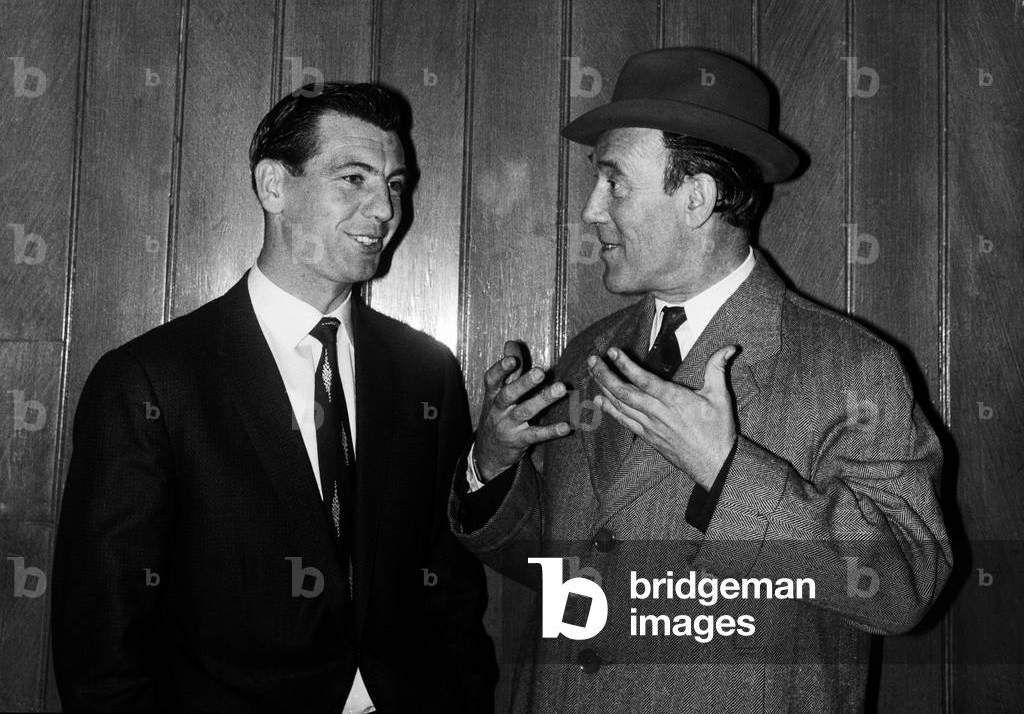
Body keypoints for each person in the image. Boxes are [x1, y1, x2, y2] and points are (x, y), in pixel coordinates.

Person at [451, 48, 951, 713]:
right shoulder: (588, 355)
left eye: (614, 181)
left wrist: (727, 472)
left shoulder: (853, 368)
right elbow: (567, 565)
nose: (593, 208)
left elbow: (904, 585)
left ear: (696, 198)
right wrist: (492, 468)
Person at [52, 82, 496, 713]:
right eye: (353, 178)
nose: (384, 210)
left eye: (395, 184)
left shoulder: (426, 371)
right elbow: (101, 630)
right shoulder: (150, 380)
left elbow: (450, 585)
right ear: (273, 186)